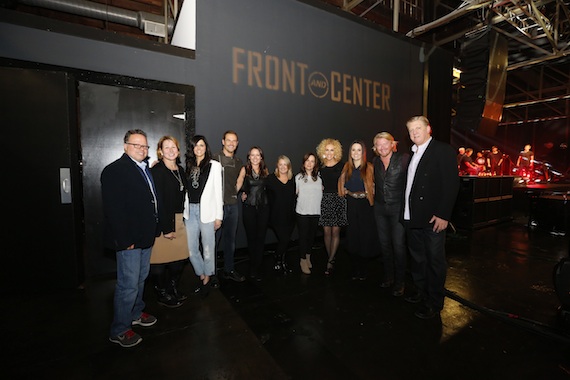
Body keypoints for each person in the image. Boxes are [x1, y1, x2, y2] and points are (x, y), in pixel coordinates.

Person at [101, 129, 158, 348]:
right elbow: (114, 210)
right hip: (129, 240)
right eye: (137, 145)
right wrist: (125, 240)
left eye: (145, 146)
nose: (142, 149)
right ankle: (119, 329)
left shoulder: (144, 169)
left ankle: (135, 313)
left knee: (140, 279)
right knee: (128, 285)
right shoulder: (115, 170)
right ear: (126, 146)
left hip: (144, 237)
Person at [403, 116, 459, 319]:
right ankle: (421, 292)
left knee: (435, 261)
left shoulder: (442, 150)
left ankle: (434, 302)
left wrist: (444, 215)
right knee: (417, 259)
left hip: (433, 219)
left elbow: (451, 184)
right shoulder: (412, 154)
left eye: (418, 128)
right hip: (412, 218)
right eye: (410, 130)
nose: (414, 133)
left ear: (429, 129)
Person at [149, 136, 189, 308]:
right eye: (167, 147)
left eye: (174, 147)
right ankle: (162, 293)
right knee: (158, 263)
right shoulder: (157, 171)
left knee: (179, 259)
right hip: (164, 220)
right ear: (160, 151)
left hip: (179, 220)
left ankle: (171, 287)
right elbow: (159, 202)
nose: (171, 150)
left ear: (178, 151)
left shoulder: (180, 170)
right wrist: (166, 228)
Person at [184, 135, 223, 297]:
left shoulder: (214, 165)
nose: (198, 148)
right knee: (191, 249)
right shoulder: (189, 165)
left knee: (208, 249)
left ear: (206, 147)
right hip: (190, 211)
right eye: (195, 146)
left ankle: (207, 277)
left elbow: (218, 192)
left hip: (207, 211)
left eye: (201, 145)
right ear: (192, 149)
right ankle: (202, 273)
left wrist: (218, 216)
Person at [372, 132, 409, 297]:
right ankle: (389, 276)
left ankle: (400, 282)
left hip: (397, 209)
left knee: (399, 246)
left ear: (392, 144)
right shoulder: (375, 161)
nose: (382, 147)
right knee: (384, 244)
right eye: (378, 145)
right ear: (375, 147)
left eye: (385, 144)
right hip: (380, 209)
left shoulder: (404, 159)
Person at [338, 140, 376, 280]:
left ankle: (363, 268)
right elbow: (341, 184)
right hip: (351, 204)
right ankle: (355, 268)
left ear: (363, 152)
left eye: (358, 150)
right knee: (353, 236)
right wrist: (344, 192)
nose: (355, 152)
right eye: (353, 150)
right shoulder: (346, 167)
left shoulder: (370, 167)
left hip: (365, 206)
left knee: (365, 237)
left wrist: (370, 193)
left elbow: (375, 186)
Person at [213, 130, 246, 283]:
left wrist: (235, 191)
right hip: (216, 208)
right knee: (213, 242)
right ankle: (211, 274)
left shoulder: (239, 162)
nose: (231, 143)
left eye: (234, 141)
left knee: (230, 241)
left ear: (237, 143)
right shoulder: (213, 159)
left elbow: (240, 179)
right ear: (223, 141)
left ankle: (229, 269)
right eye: (229, 140)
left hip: (232, 206)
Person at [316, 138, 347, 275]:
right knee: (326, 232)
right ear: (323, 151)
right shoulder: (320, 167)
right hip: (324, 201)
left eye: (332, 150)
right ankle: (331, 257)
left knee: (335, 232)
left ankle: (330, 261)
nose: (329, 152)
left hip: (338, 200)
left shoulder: (342, 166)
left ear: (336, 151)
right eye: (327, 150)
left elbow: (346, 182)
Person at [240, 146, 270, 281]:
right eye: (252, 155)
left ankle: (258, 265)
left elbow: (269, 188)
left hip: (263, 208)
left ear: (261, 157)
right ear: (249, 157)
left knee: (261, 238)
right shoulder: (244, 170)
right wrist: (240, 194)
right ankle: (253, 266)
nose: (255, 157)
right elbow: (238, 185)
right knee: (251, 238)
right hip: (249, 208)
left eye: (258, 155)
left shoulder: (265, 171)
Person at [266, 155, 297, 275]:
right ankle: (278, 257)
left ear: (289, 166)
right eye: (281, 164)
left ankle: (281, 261)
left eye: (286, 164)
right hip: (276, 217)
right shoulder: (270, 179)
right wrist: (246, 193)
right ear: (277, 166)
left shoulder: (293, 180)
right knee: (284, 239)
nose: (283, 167)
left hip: (290, 216)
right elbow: (259, 189)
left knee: (285, 240)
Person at [295, 152, 323, 275]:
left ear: (315, 163)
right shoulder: (298, 177)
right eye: (307, 160)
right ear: (303, 163)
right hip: (302, 212)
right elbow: (294, 194)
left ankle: (308, 256)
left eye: (312, 161)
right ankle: (302, 260)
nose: (309, 163)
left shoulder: (319, 178)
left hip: (315, 211)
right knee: (303, 237)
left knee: (311, 237)